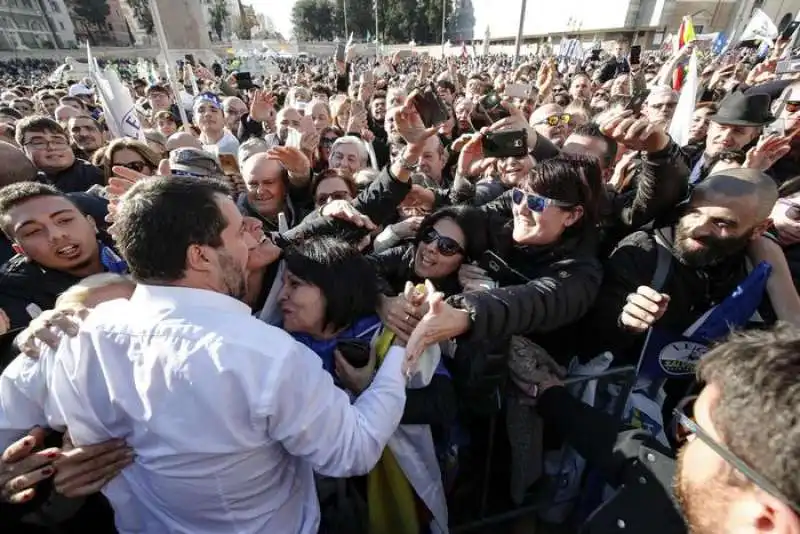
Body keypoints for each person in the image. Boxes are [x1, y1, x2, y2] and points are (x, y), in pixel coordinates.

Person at [45, 176, 410, 533]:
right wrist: (400, 353)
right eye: (237, 233)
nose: (248, 240)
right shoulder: (266, 355)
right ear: (200, 256)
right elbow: (353, 451)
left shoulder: (78, 335)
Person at [0, 182, 121, 329]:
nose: (57, 235)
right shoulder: (14, 292)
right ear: (20, 250)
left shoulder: (138, 245)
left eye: (65, 220)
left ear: (92, 223)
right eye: (33, 231)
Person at [15, 116, 104, 193]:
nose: (52, 147)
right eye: (39, 142)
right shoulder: (21, 182)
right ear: (23, 150)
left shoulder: (93, 175)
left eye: (58, 141)